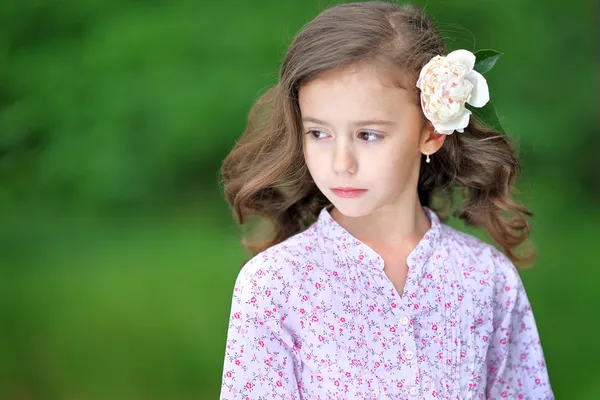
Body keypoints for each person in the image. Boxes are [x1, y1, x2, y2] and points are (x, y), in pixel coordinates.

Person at [218, 1, 554, 399]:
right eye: (319, 133)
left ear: (431, 132)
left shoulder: (486, 278)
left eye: (368, 135)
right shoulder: (274, 286)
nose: (341, 164)